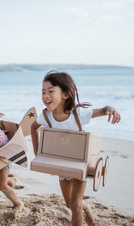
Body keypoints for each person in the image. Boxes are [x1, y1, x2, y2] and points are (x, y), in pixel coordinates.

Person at [31, 71, 121, 226]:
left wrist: (110, 108)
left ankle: (81, 208)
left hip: (80, 163)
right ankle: (86, 208)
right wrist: (38, 153)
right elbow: (33, 127)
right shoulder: (46, 116)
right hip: (62, 165)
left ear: (65, 94)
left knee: (75, 204)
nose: (45, 95)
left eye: (51, 91)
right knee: (70, 204)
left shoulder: (78, 114)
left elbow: (101, 110)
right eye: (43, 92)